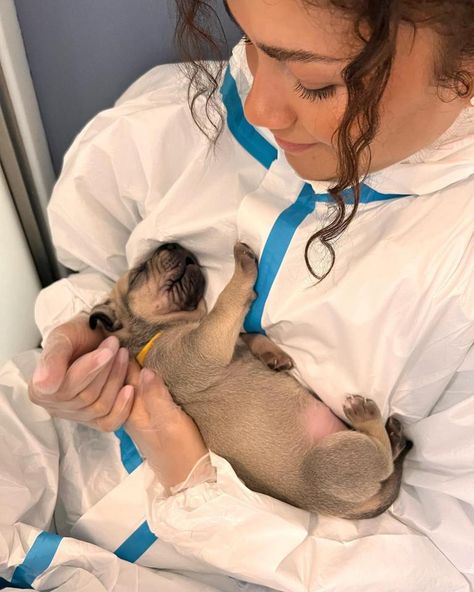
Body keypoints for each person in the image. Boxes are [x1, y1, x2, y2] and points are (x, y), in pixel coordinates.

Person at [1, 0, 473, 590]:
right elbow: (88, 266)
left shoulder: (457, 271)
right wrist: (82, 337)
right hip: (38, 464)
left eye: (315, 81)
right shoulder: (180, 117)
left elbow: (439, 565)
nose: (257, 106)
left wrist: (198, 490)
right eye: (251, 42)